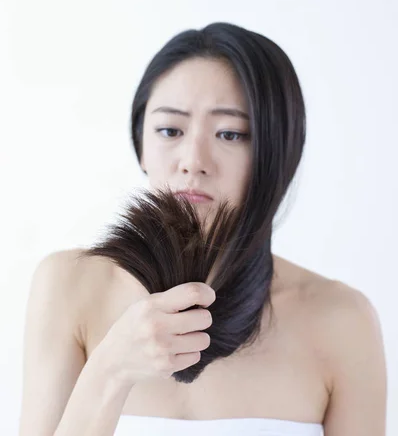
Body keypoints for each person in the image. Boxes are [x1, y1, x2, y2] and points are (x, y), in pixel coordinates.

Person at [18, 23, 387, 436]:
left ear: (276, 154)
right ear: (140, 144)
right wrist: (110, 369)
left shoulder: (342, 320)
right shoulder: (69, 286)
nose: (193, 160)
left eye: (230, 133)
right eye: (170, 130)